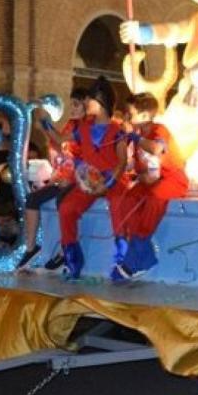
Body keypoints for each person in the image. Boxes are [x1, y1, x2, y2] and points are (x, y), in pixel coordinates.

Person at [109, 93, 189, 281]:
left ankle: (135, 256)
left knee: (154, 200)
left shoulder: (159, 130)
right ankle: (143, 254)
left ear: (145, 116)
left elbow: (156, 149)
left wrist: (133, 138)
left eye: (131, 113)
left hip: (172, 179)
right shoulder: (136, 133)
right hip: (148, 180)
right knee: (126, 198)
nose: (127, 117)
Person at [55, 77, 125, 278]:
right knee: (67, 208)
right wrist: (44, 123)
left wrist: (109, 182)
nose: (86, 103)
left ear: (101, 102)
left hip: (113, 180)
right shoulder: (82, 129)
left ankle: (122, 261)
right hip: (89, 181)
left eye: (90, 100)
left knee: (119, 205)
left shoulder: (116, 130)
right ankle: (72, 258)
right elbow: (59, 140)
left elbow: (122, 161)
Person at [17, 88, 90, 270]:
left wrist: (45, 120)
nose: (72, 109)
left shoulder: (86, 127)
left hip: (81, 179)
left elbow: (61, 142)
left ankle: (65, 249)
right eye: (71, 104)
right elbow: (59, 146)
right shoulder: (71, 124)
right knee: (32, 199)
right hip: (63, 178)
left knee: (62, 202)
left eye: (76, 105)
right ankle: (31, 247)